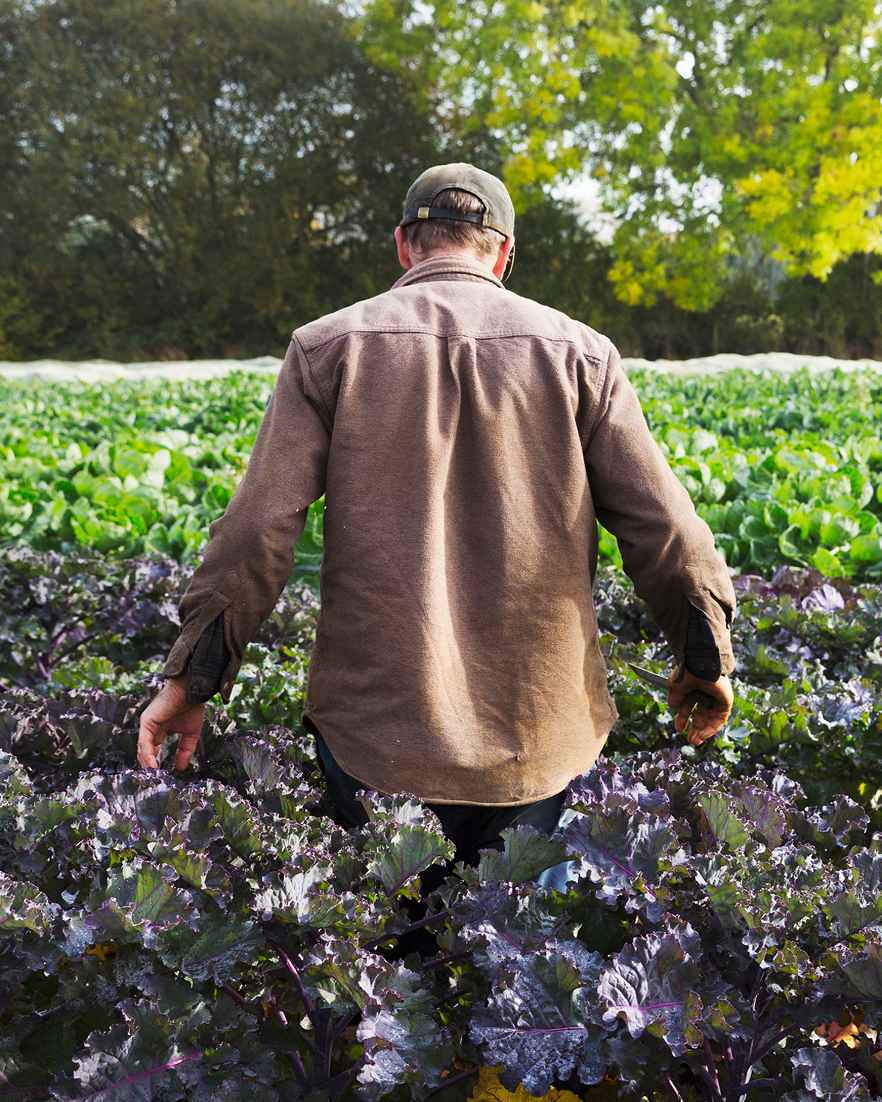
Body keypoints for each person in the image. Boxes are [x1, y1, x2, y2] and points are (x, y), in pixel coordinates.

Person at [137, 162, 736, 898]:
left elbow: (256, 530)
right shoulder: (583, 355)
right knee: (519, 975)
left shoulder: (328, 348)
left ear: (402, 246)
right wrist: (705, 656)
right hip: (539, 739)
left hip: (374, 740)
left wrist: (192, 677)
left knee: (388, 981)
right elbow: (667, 532)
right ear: (505, 255)